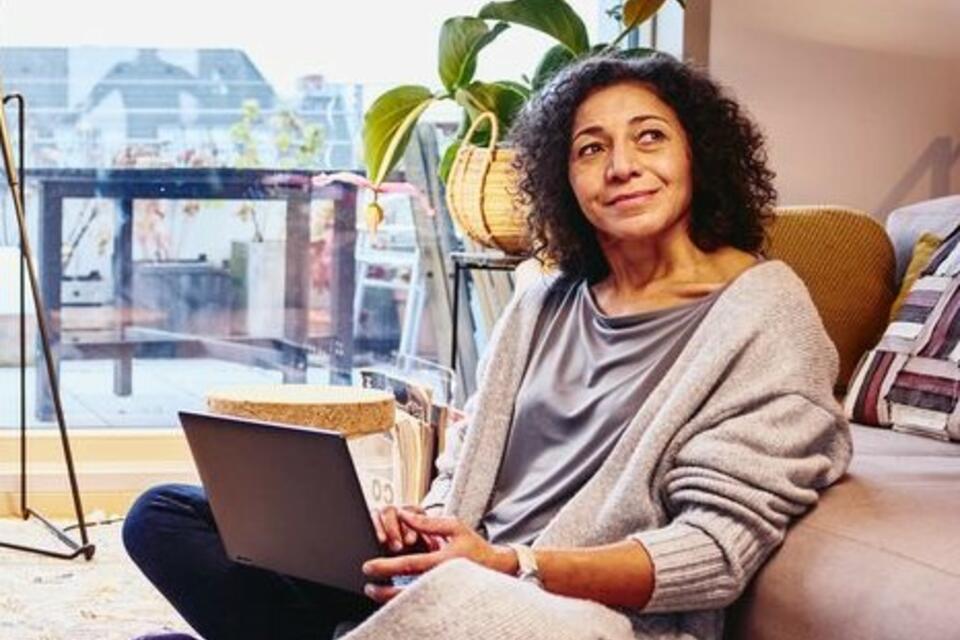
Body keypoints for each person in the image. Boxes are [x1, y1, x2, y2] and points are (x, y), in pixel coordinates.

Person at [123, 52, 852, 640]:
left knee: (472, 611)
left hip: (562, 613)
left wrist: (512, 565)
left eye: (650, 136)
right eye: (590, 149)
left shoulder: (764, 315)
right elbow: (468, 480)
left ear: (700, 156)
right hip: (455, 576)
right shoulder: (544, 300)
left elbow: (716, 554)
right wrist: (421, 525)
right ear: (565, 182)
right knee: (161, 517)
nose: (621, 165)